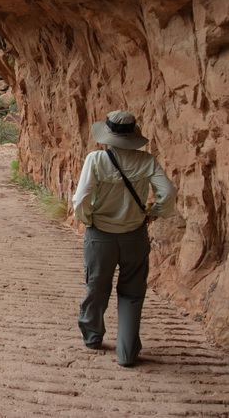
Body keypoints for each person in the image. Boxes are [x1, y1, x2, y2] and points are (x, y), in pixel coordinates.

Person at [72, 110, 175, 367]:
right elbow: (168, 192)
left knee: (97, 287)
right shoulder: (147, 161)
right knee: (132, 293)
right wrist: (154, 213)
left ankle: (93, 337)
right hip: (134, 236)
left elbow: (81, 198)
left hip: (101, 236)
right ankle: (127, 353)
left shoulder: (96, 159)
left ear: (108, 134)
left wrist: (88, 220)